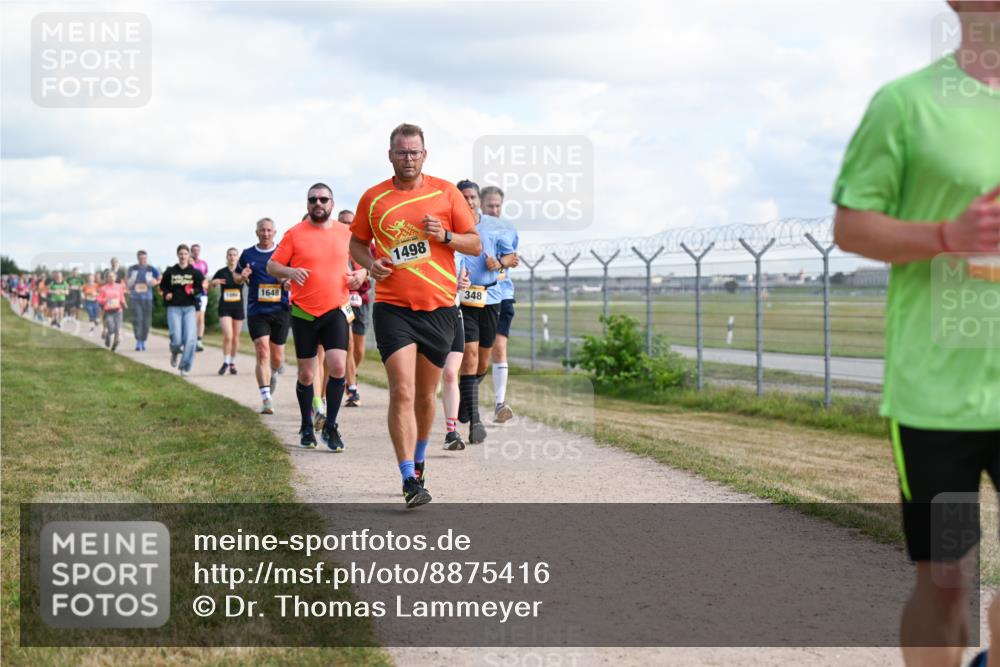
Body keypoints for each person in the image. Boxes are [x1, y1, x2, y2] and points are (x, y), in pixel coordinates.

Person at [832, 4, 1000, 665]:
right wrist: (944, 238)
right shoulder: (906, 103)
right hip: (939, 399)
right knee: (948, 577)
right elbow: (852, 226)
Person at [349, 123, 481, 508]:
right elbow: (357, 243)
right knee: (402, 392)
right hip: (393, 308)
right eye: (401, 152)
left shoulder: (446, 192)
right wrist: (371, 264)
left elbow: (473, 243)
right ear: (390, 155)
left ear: (425, 154)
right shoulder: (374, 199)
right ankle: (408, 477)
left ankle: (420, 459)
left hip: (439, 308)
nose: (408, 158)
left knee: (426, 395)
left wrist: (444, 237)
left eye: (414, 152)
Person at [268, 184, 354, 451]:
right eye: (313, 199)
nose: (318, 203)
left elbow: (363, 264)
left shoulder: (346, 233)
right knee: (307, 374)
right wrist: (290, 273)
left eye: (323, 199)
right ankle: (307, 424)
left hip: (336, 309)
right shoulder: (294, 234)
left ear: (332, 203)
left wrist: (361, 275)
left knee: (338, 367)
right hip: (304, 311)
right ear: (307, 204)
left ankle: (331, 425)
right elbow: (272, 265)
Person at [455, 179, 516, 444]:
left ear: (478, 200)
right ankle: (475, 421)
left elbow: (512, 258)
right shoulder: (451, 227)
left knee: (482, 359)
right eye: (463, 197)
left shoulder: (494, 226)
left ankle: (464, 397)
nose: (468, 202)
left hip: (491, 297)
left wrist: (498, 262)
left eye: (472, 197)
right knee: (468, 355)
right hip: (463, 299)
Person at [236, 217, 291, 415]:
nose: (265, 233)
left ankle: (274, 372)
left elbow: (291, 280)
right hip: (257, 311)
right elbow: (237, 276)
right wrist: (241, 276)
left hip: (280, 310)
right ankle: (266, 398)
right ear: (256, 232)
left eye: (269, 230)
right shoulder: (248, 254)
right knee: (262, 351)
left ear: (274, 232)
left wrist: (285, 281)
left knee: (277, 357)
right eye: (262, 230)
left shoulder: (283, 252)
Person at [481, 185, 520, 422]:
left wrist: (502, 262)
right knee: (476, 354)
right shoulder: (474, 227)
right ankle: (466, 395)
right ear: (481, 206)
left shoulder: (509, 228)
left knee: (499, 347)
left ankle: (500, 404)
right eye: (490, 206)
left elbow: (512, 257)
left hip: (503, 292)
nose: (494, 210)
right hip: (479, 294)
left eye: (498, 206)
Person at [339, 209, 371, 407]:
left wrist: (365, 274)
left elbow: (375, 266)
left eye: (349, 222)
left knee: (359, 350)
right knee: (349, 344)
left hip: (362, 301)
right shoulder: (334, 243)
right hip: (342, 300)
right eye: (342, 222)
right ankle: (352, 389)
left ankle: (347, 373)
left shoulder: (365, 244)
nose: (346, 226)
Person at [159, 244, 206, 376]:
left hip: (189, 308)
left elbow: (200, 288)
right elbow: (163, 286)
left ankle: (185, 366)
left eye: (185, 254)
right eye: (181, 253)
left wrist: (194, 291)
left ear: (188, 255)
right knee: (176, 339)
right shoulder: (170, 271)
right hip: (174, 308)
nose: (183, 256)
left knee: (190, 339)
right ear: (177, 255)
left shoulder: (195, 272)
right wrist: (166, 293)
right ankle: (174, 351)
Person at [440, 266, 471, 451]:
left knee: (451, 373)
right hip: (425, 316)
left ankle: (451, 433)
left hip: (452, 313)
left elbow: (467, 276)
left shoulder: (459, 248)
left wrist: (465, 282)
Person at [211, 248, 246, 375]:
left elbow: (250, 282)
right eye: (230, 255)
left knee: (236, 338)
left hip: (238, 307)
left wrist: (245, 277)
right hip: (225, 307)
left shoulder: (241, 272)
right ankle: (225, 361)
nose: (232, 257)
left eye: (234, 255)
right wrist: (214, 282)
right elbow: (211, 284)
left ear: (237, 257)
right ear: (227, 257)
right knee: (228, 336)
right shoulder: (221, 272)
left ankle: (232, 362)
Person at [126, 250, 161, 351]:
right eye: (141, 258)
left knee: (146, 321)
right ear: (138, 258)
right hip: (135, 298)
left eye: (144, 258)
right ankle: (138, 341)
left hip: (147, 298)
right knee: (137, 319)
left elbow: (160, 278)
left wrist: (155, 282)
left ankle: (143, 341)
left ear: (147, 258)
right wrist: (130, 283)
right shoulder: (132, 269)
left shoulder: (151, 269)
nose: (143, 260)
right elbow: (127, 282)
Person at [96, 270, 127, 351]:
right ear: (107, 278)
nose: (111, 278)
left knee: (117, 329)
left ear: (115, 277)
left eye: (113, 276)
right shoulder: (103, 288)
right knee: (111, 328)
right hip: (108, 311)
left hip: (118, 310)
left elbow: (121, 296)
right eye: (109, 277)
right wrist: (105, 299)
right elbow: (98, 299)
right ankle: (107, 336)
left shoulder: (119, 287)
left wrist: (124, 303)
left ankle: (115, 344)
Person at [190, 243, 210, 352]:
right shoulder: (189, 263)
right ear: (191, 251)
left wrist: (205, 285)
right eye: (193, 250)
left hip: (202, 294)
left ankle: (199, 340)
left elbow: (206, 277)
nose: (196, 252)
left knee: (201, 318)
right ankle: (190, 339)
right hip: (190, 294)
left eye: (197, 250)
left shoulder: (203, 264)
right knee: (192, 318)